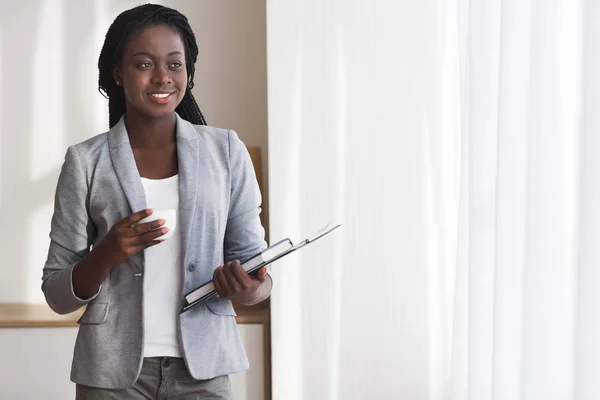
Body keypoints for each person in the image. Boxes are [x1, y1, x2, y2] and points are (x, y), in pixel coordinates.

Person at [41, 4, 271, 399]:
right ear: (117, 73)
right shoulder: (85, 162)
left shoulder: (226, 152)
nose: (163, 77)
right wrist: (107, 253)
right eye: (144, 64)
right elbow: (56, 293)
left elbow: (258, 279)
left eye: (175, 64)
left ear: (188, 72)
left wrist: (247, 289)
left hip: (205, 370)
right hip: (111, 375)